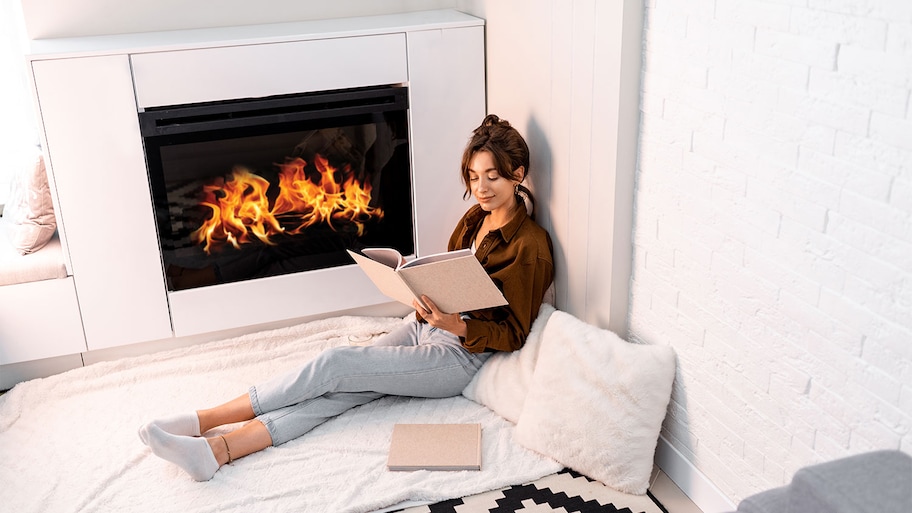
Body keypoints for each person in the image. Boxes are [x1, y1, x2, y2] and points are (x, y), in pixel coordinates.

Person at [138, 114, 555, 481]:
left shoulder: (529, 246)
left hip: (459, 355)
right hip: (424, 327)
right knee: (335, 393)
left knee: (336, 362)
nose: (479, 188)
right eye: (473, 176)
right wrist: (420, 293)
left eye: (492, 177)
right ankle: (216, 452)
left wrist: (456, 325)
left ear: (517, 174)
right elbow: (453, 276)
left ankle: (205, 419)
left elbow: (515, 333)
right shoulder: (474, 218)